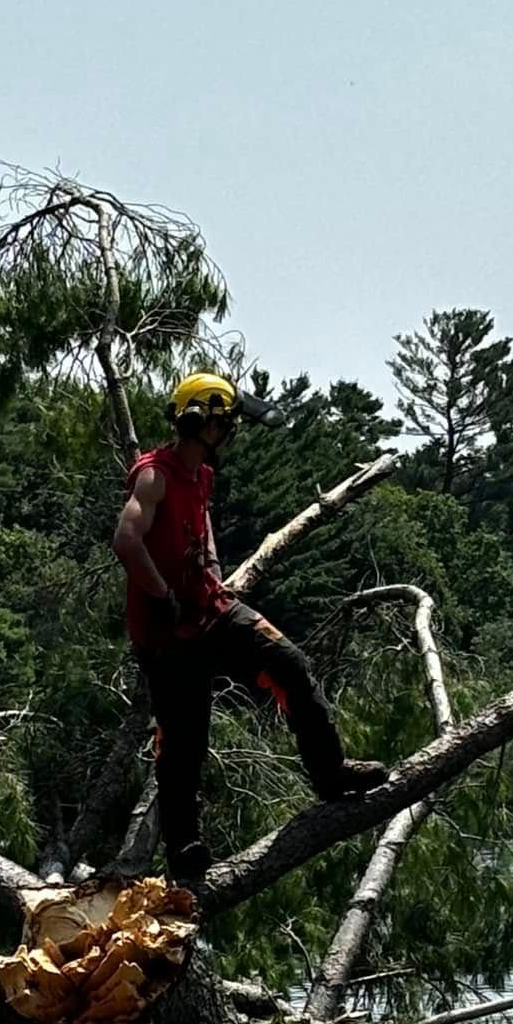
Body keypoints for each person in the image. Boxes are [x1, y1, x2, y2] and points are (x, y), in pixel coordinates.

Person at [113, 371, 388, 885]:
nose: (228, 433)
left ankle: (330, 773)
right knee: (184, 742)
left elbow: (203, 521)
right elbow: (127, 542)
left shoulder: (202, 476)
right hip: (168, 632)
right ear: (199, 421)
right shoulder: (154, 475)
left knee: (288, 662)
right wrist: (163, 595)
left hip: (210, 608)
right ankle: (185, 851)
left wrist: (213, 567)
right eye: (222, 423)